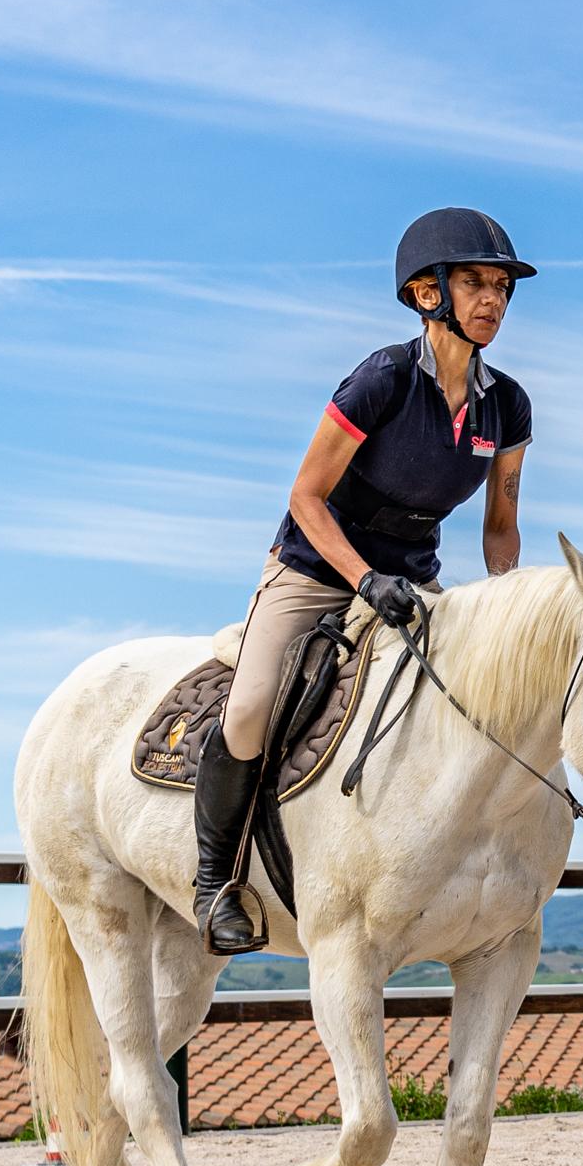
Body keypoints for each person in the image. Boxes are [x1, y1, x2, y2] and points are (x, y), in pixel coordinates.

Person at [193, 207, 536, 953]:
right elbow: (306, 496)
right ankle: (215, 878)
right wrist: (361, 576)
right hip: (316, 567)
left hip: (413, 581)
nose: (493, 301)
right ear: (425, 294)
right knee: (250, 708)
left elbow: (501, 523)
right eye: (475, 282)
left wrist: (505, 602)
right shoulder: (382, 378)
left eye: (503, 288)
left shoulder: (506, 404)